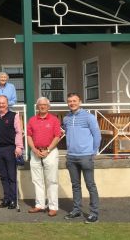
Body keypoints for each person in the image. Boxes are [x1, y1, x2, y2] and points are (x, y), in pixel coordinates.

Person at [63, 93, 101, 224]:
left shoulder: (89, 117)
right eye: (69, 101)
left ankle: (94, 213)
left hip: (86, 156)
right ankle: (77, 209)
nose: (72, 103)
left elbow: (97, 135)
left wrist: (93, 152)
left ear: (80, 102)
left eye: (74, 101)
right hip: (71, 157)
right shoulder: (66, 118)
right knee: (75, 186)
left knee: (90, 185)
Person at [26, 97, 61, 217]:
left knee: (51, 180)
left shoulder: (54, 119)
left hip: (50, 152)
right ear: (37, 107)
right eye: (40, 105)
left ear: (48, 106)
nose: (42, 106)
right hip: (35, 152)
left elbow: (57, 136)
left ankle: (53, 206)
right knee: (37, 180)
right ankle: (39, 204)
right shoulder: (32, 120)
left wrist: (48, 149)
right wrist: (34, 150)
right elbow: (29, 136)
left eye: (44, 105)